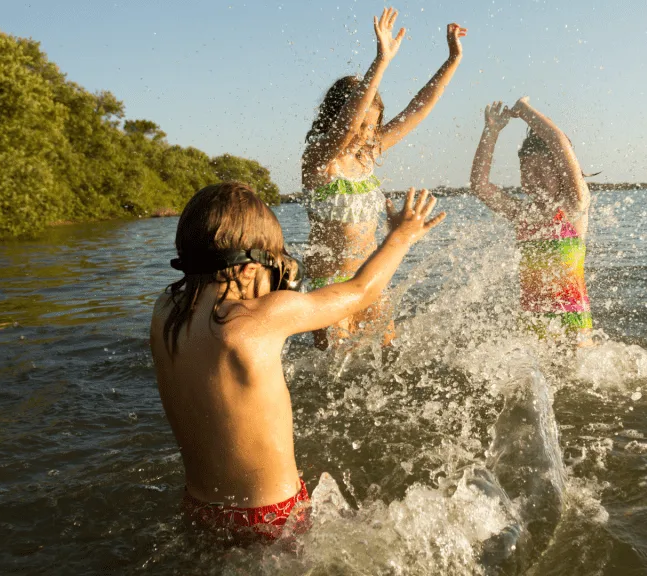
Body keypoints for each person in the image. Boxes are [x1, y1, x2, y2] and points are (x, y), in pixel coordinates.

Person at [149, 182, 445, 544]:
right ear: (245, 269)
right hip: (270, 516)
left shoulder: (164, 311)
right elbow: (360, 291)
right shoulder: (258, 318)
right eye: (271, 263)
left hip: (200, 507)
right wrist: (402, 236)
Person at [302, 7, 466, 349]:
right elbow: (347, 126)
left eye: (372, 125)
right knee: (336, 368)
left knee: (388, 355)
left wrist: (452, 61)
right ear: (335, 119)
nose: (365, 134)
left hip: (370, 277)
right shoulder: (319, 159)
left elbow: (417, 110)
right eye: (361, 124)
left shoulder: (367, 155)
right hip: (328, 283)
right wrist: (381, 62)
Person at [470, 97, 593, 346]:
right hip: (533, 320)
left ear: (560, 171)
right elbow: (480, 186)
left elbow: (560, 144)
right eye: (526, 171)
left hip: (573, 323)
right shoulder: (522, 214)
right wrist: (491, 132)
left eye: (541, 171)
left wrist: (525, 110)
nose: (532, 178)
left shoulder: (573, 206)